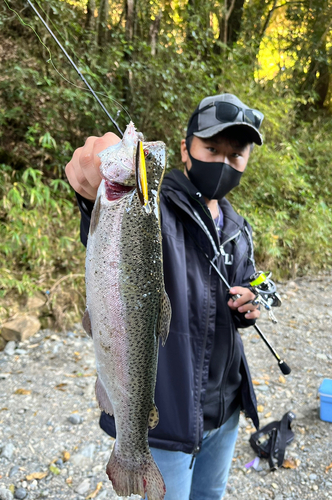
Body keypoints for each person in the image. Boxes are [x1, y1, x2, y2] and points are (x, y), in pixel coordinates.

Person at [66, 93, 264, 500]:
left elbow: (242, 287)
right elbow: (107, 233)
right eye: (212, 149)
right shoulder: (153, 207)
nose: (223, 163)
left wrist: (247, 307)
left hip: (224, 410)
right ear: (185, 149)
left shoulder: (238, 227)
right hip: (165, 419)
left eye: (235, 155)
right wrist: (90, 196)